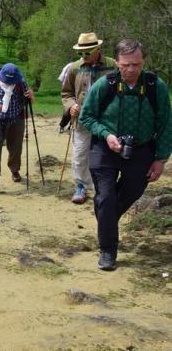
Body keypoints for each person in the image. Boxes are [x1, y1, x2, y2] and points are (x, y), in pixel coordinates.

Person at [79, 39, 170, 271]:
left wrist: (160, 159)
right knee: (107, 196)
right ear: (117, 62)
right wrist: (106, 135)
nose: (131, 70)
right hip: (105, 148)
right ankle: (108, 250)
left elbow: (166, 124)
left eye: (137, 65)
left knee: (131, 192)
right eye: (126, 64)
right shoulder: (105, 84)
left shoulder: (154, 86)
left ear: (143, 62)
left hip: (142, 149)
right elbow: (86, 117)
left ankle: (105, 215)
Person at [61, 32, 116, 204]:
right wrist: (71, 106)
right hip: (82, 119)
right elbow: (66, 93)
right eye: (80, 53)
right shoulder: (74, 67)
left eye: (87, 52)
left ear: (98, 49)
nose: (83, 56)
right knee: (80, 154)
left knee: (107, 153)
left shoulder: (113, 65)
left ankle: (107, 188)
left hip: (106, 120)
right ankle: (81, 186)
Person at [0, 63, 34, 198]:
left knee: (15, 149)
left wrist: (31, 96)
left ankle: (14, 170)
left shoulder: (21, 82)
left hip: (16, 119)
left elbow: (30, 101)